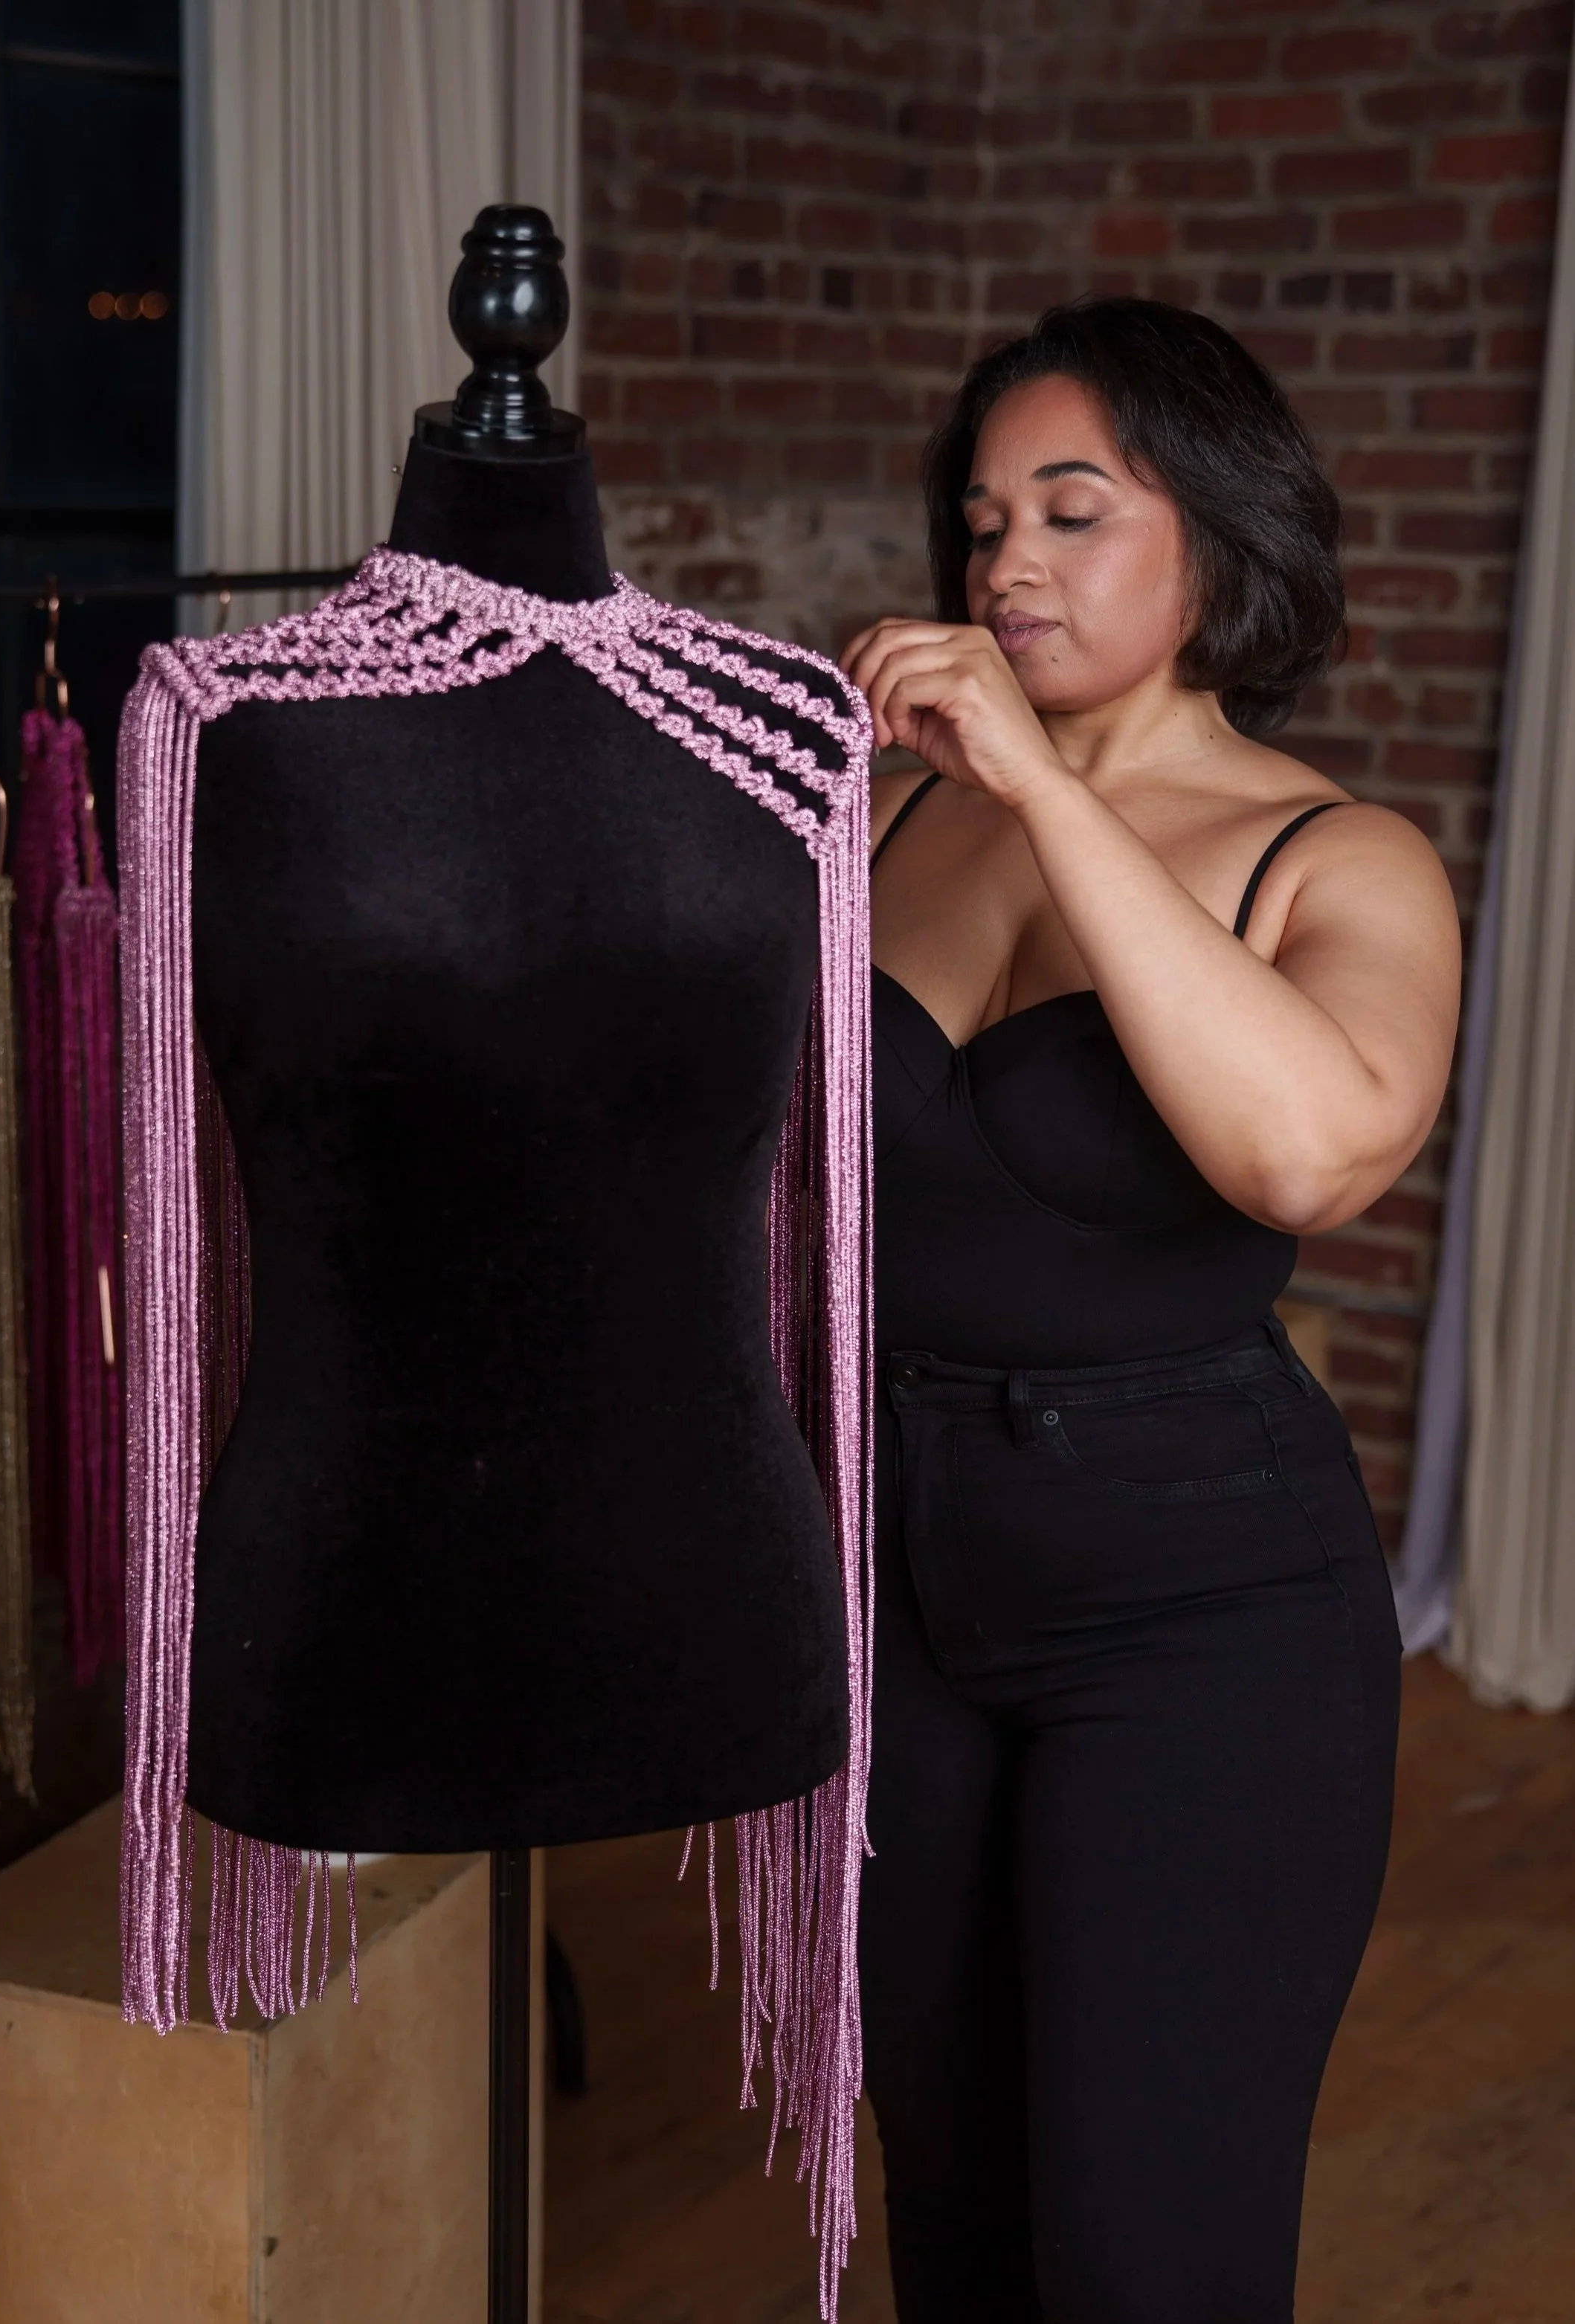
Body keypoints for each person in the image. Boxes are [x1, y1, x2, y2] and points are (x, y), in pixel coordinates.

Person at [838, 297, 1459, 2323]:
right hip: (900, 1586)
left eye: (1069, 512)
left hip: (1198, 1606)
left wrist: (1039, 786)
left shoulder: (1333, 853)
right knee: (959, 2222)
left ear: (1211, 536)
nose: (1000, 559)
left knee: (1140, 2263)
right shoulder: (891, 812)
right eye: (978, 513)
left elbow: (1305, 1153)